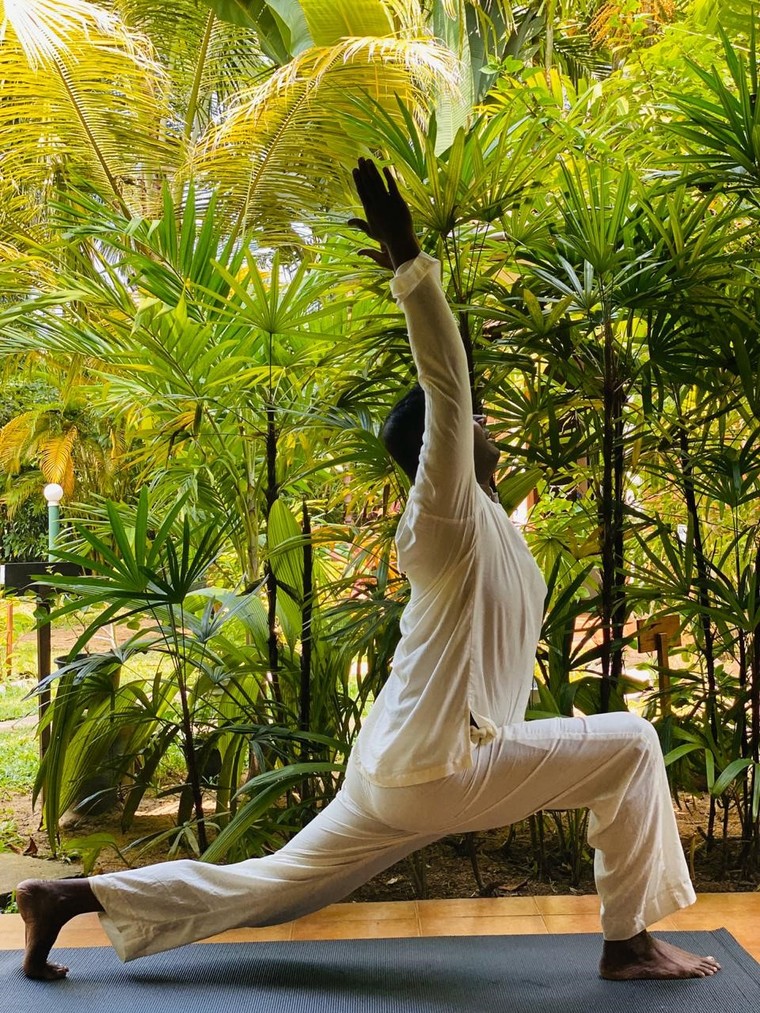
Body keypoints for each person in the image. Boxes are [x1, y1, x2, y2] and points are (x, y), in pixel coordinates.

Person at [17, 159, 719, 983]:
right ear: (440, 451)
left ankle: (67, 896)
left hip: (399, 761)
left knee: (275, 883)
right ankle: (628, 943)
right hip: (444, 764)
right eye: (475, 421)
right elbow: (447, 387)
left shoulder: (486, 521)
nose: (486, 423)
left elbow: (459, 395)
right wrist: (411, 266)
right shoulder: (443, 516)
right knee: (633, 741)